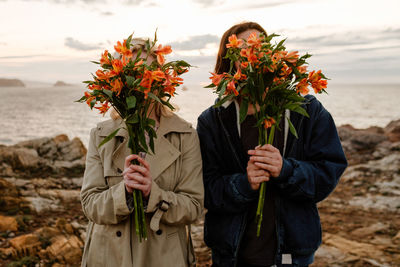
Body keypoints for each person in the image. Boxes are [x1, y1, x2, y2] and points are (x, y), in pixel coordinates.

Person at [197, 22, 348, 267]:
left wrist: (286, 170)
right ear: (229, 62)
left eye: (260, 48)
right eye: (243, 50)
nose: (253, 56)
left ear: (274, 57)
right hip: (230, 256)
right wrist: (244, 184)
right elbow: (204, 188)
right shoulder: (213, 120)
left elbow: (328, 173)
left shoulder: (308, 111)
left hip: (291, 255)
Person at [80, 38, 204, 267]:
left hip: (165, 256)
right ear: (117, 81)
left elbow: (194, 206)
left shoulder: (185, 135)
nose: (139, 81)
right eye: (131, 73)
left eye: (148, 72)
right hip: (109, 256)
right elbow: (89, 204)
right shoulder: (100, 135)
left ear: (162, 79)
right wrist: (124, 192)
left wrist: (153, 194)